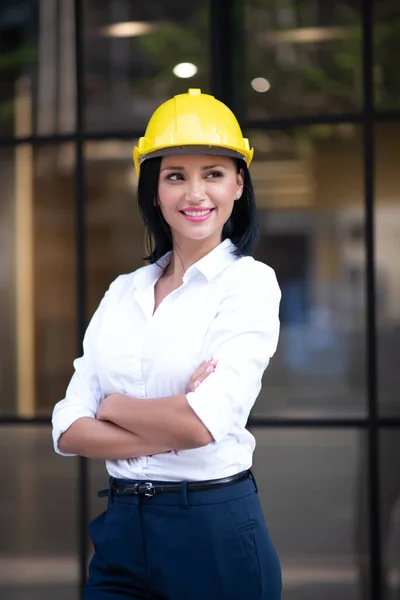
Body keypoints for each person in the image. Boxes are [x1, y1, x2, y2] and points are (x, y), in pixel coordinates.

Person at [52, 88, 282, 600]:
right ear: (154, 190)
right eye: (175, 176)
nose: (194, 193)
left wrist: (113, 408)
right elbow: (68, 429)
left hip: (211, 528)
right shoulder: (122, 292)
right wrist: (172, 421)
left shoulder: (249, 284)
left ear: (239, 185)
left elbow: (203, 423)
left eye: (214, 174)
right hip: (121, 529)